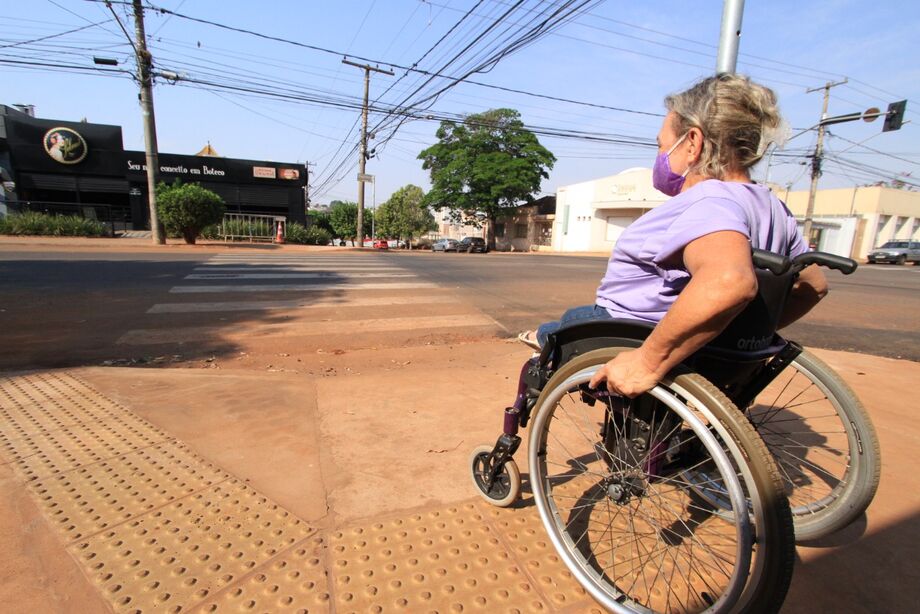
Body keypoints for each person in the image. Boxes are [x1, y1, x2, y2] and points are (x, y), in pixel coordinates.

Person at [518, 73, 828, 397]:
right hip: (705, 348)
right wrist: (740, 334)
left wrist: (648, 361)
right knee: (565, 324)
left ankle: (539, 339)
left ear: (692, 143)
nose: (660, 157)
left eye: (661, 145)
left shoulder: (711, 200)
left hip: (627, 331)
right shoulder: (773, 207)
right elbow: (813, 286)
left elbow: (729, 281)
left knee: (559, 332)